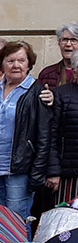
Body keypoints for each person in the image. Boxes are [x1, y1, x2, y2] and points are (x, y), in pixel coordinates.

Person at [0, 41, 49, 225]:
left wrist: (38, 172)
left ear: (29, 64)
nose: (16, 65)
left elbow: (44, 136)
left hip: (20, 169)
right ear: (1, 63)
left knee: (17, 221)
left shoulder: (37, 91)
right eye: (10, 60)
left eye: (21, 60)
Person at [46, 69, 78, 205]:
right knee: (65, 220)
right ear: (75, 73)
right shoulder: (61, 94)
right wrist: (53, 171)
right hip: (68, 176)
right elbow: (50, 135)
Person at [38, 23, 78, 90]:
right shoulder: (47, 74)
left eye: (73, 40)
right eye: (64, 40)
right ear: (59, 43)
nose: (68, 44)